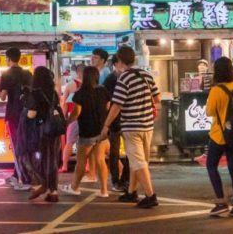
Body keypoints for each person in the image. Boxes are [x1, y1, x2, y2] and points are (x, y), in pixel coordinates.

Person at [99, 45, 161, 209]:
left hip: (132, 126)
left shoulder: (124, 78)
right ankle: (132, 192)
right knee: (137, 160)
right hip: (147, 126)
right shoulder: (146, 75)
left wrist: (106, 125)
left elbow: (116, 105)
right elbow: (157, 98)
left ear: (119, 61)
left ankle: (150, 195)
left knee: (138, 162)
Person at [59, 65, 111, 198]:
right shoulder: (103, 91)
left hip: (87, 130)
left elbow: (76, 112)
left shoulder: (80, 93)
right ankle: (104, 190)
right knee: (101, 160)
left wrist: (67, 122)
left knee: (81, 160)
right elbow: (107, 107)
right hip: (101, 131)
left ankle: (75, 187)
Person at [205, 57, 233, 218]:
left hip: (219, 136)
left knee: (211, 165)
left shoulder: (216, 90)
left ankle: (221, 202)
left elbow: (209, 112)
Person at [26, 66, 64, 202]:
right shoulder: (53, 93)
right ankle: (52, 189)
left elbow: (31, 114)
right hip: (54, 129)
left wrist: (25, 112)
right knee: (52, 158)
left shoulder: (35, 93)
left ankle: (46, 185)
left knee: (41, 159)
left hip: (42, 130)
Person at [0, 46, 33, 190]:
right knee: (25, 144)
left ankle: (23, 178)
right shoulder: (28, 74)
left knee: (16, 145)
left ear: (8, 59)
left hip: (13, 114)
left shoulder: (6, 75)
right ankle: (16, 174)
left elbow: (2, 97)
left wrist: (1, 90)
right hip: (27, 114)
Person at [103, 55, 129, 192]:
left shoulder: (124, 78)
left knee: (128, 151)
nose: (123, 66)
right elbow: (110, 103)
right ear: (116, 64)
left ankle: (124, 179)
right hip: (115, 121)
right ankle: (116, 180)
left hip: (126, 120)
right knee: (114, 152)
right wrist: (107, 122)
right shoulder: (111, 79)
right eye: (121, 63)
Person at [61, 64, 84, 172]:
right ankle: (86, 165)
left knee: (69, 142)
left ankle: (65, 165)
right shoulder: (92, 84)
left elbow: (64, 103)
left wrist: (64, 118)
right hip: (86, 117)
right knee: (84, 143)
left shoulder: (70, 85)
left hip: (73, 116)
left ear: (78, 72)